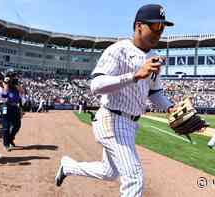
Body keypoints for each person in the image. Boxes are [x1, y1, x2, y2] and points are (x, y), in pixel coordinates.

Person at [55, 4, 175, 196]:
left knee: (108, 172)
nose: (159, 32)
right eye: (154, 26)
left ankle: (68, 167)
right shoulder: (117, 50)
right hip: (112, 119)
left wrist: (171, 108)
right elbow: (96, 85)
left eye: (162, 27)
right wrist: (134, 76)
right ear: (138, 26)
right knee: (134, 178)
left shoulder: (153, 57)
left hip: (130, 123)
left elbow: (154, 93)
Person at [1, 72, 22, 151]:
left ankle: (10, 139)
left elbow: (21, 91)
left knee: (17, 125)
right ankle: (6, 144)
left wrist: (17, 83)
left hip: (15, 107)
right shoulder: (5, 83)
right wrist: (6, 82)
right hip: (6, 106)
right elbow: (4, 94)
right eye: (12, 77)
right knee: (6, 127)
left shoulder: (16, 85)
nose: (14, 79)